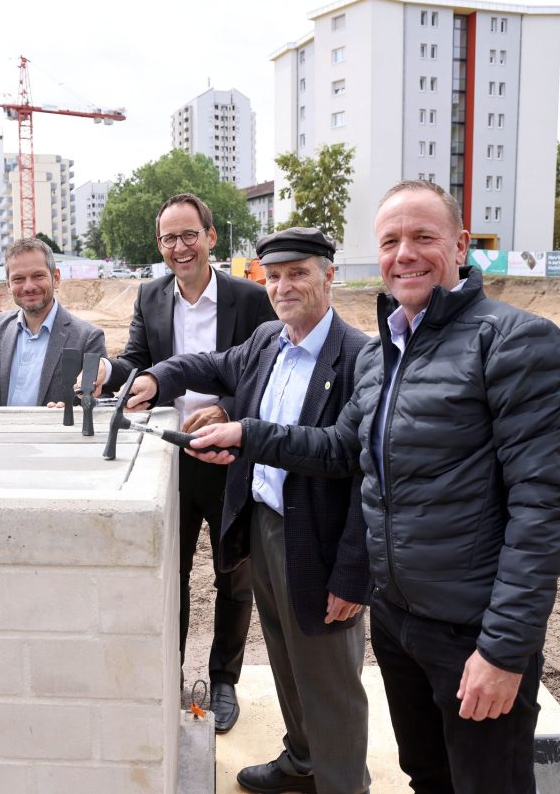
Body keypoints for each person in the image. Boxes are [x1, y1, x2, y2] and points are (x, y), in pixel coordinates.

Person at [189, 180, 560, 794]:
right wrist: (245, 433)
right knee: (427, 775)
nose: (406, 254)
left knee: (487, 782)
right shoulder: (385, 355)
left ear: (459, 245)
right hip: (399, 621)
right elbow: (338, 450)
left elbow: (542, 511)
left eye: (424, 237)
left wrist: (504, 651)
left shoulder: (511, 341)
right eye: (391, 240)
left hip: (470, 628)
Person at [127, 227, 372, 794]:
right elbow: (211, 365)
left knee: (330, 676)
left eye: (298, 274)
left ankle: (342, 783)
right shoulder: (268, 339)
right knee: (287, 658)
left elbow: (359, 469)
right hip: (264, 525)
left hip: (318, 537)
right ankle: (304, 759)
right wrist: (154, 376)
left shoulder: (360, 357)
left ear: (328, 275)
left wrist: (354, 573)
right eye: (274, 276)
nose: (283, 287)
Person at [95, 192, 277, 731]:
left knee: (233, 574)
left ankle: (223, 681)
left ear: (211, 238)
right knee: (168, 572)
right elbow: (136, 359)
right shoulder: (151, 296)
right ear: (159, 245)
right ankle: (168, 673)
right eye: (170, 238)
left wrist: (228, 408)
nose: (180, 247)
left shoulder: (250, 298)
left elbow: (265, 375)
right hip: (169, 458)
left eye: (189, 235)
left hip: (228, 456)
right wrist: (110, 373)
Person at [0, 237, 105, 406]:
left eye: (38, 276)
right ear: (8, 285)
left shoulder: (88, 337)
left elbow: (101, 397)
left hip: (56, 433)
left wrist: (77, 411)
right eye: (18, 279)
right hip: (2, 431)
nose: (28, 287)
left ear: (56, 277)